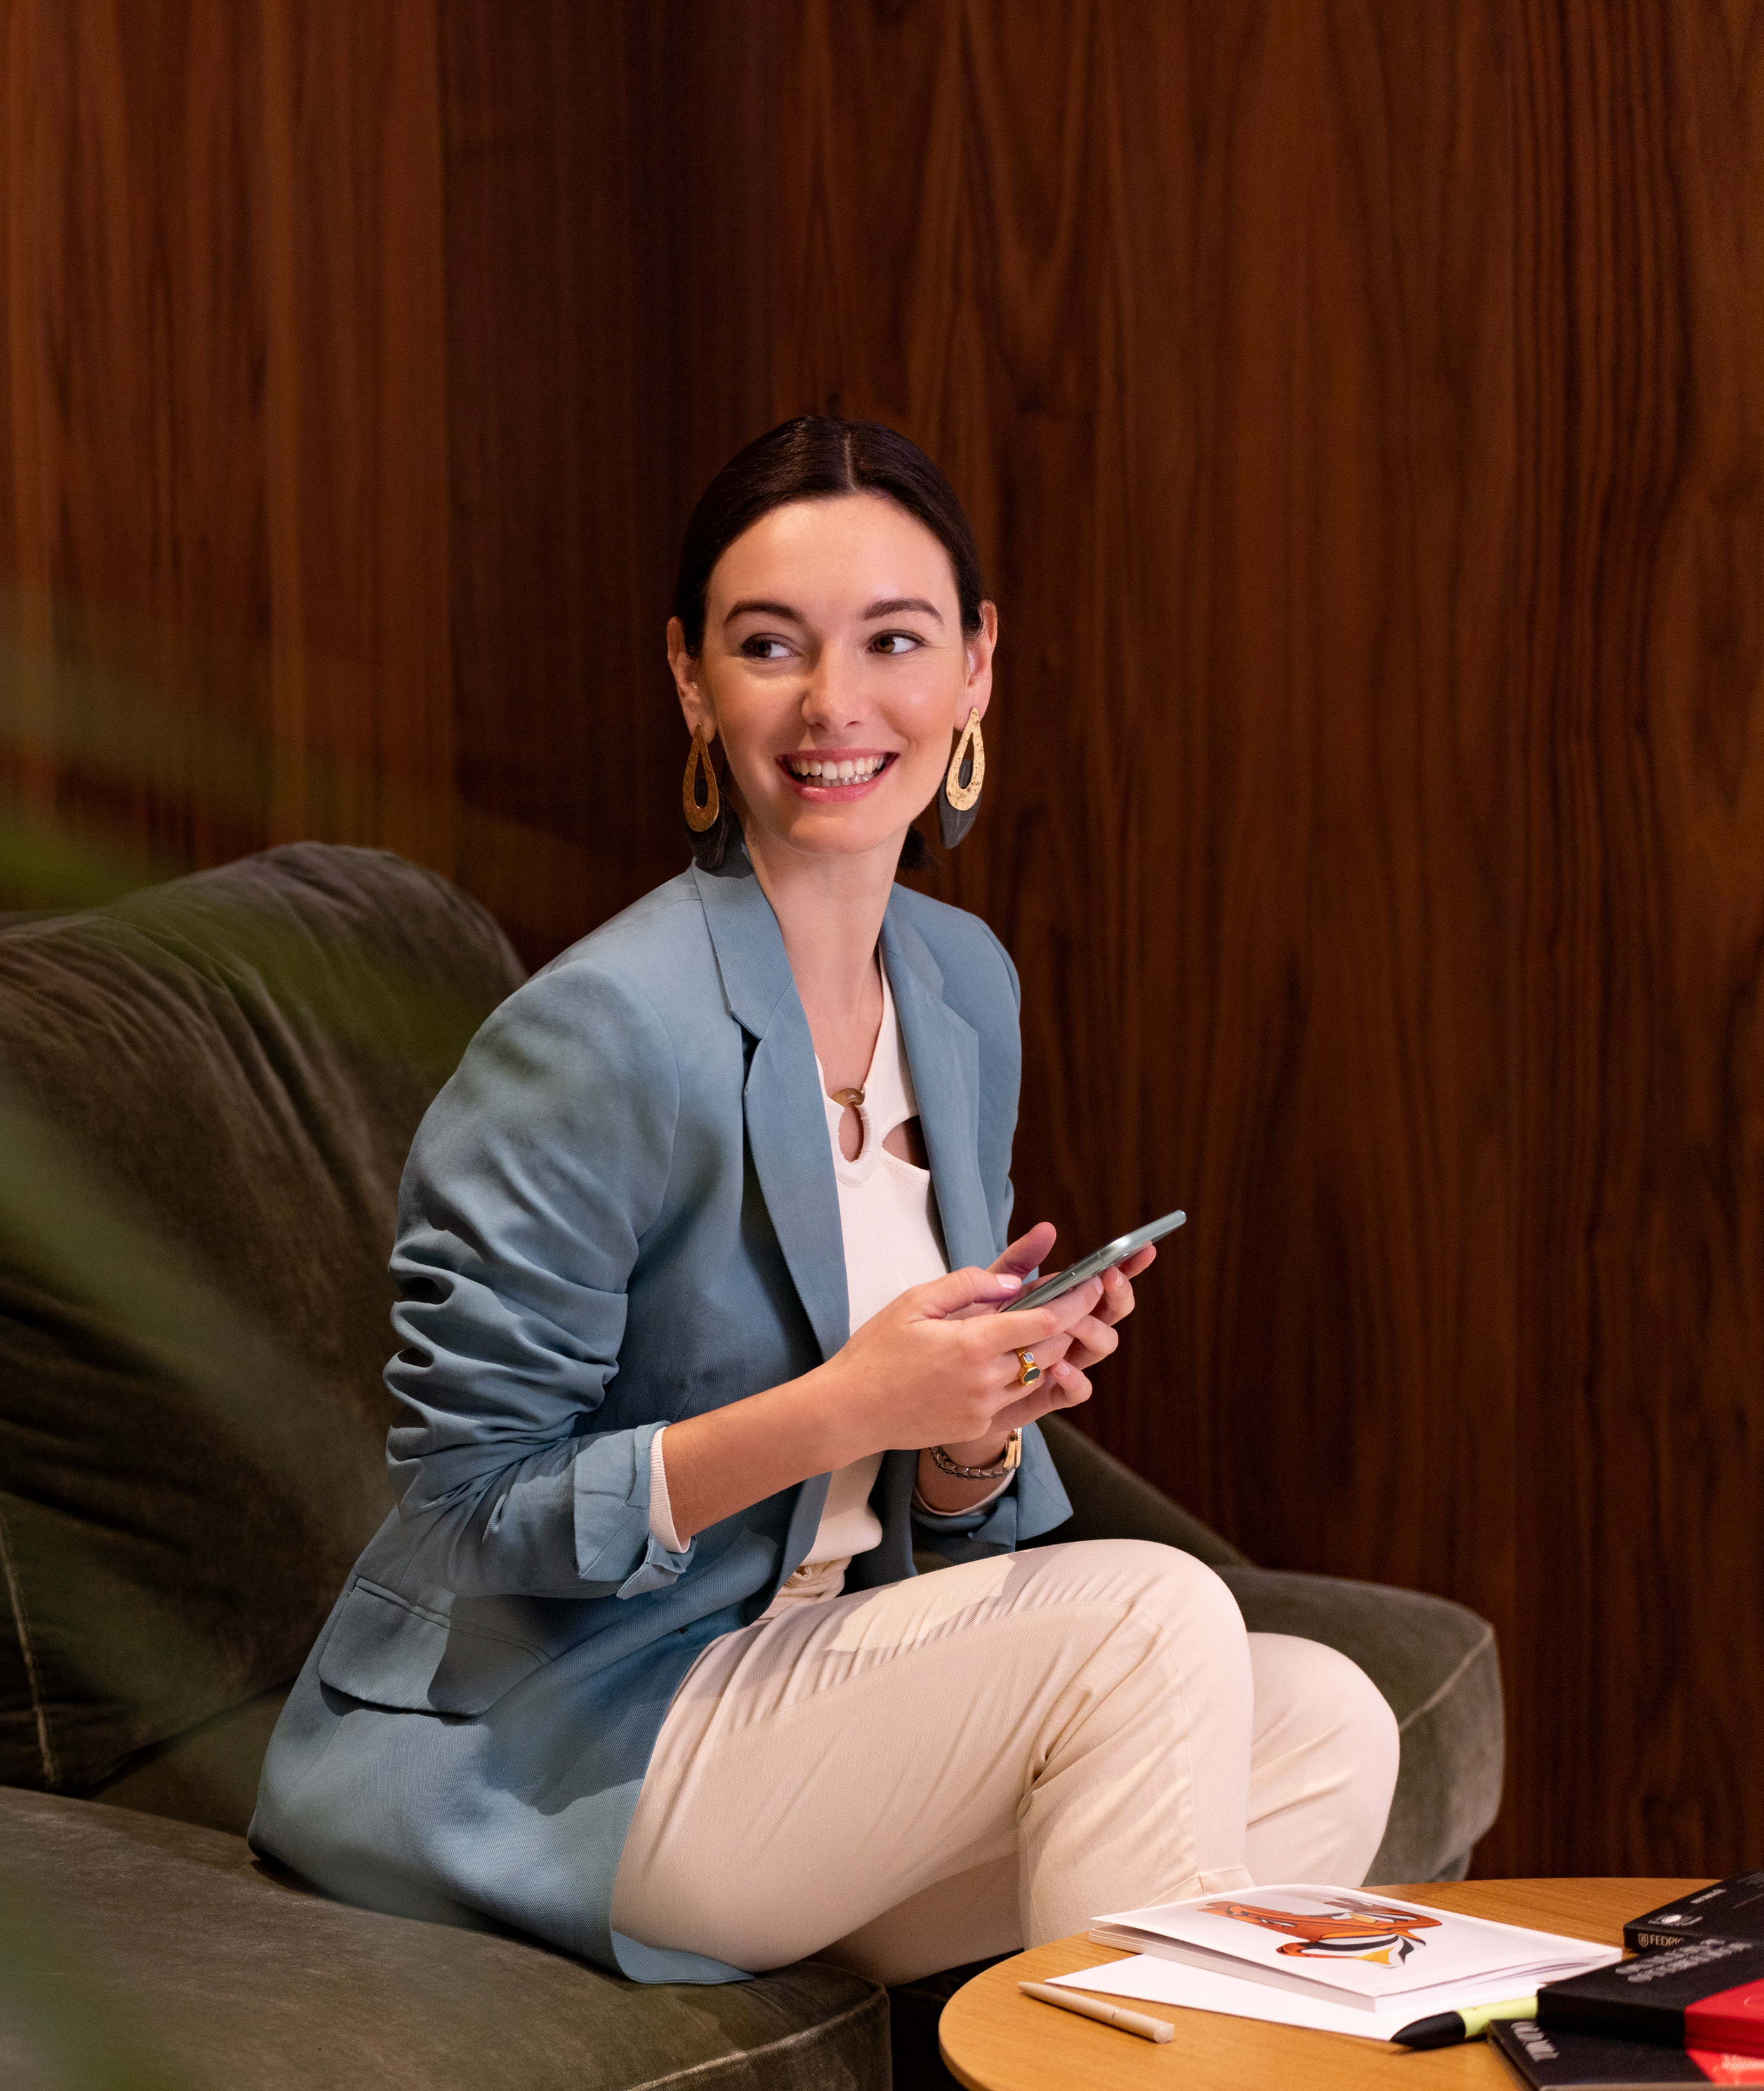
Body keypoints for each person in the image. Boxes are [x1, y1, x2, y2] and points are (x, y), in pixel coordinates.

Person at [249, 415, 1398, 1988]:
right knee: (1147, 1616)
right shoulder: (600, 1036)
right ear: (691, 682)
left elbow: (932, 1516)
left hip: (814, 1695)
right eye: (770, 646)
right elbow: (466, 1515)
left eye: (895, 641)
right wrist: (845, 1405)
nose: (835, 704)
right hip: (581, 1740)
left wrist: (972, 1424)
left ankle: (1101, 2059)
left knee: (1326, 1720)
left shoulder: (957, 986)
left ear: (976, 669)